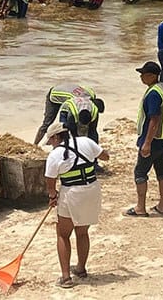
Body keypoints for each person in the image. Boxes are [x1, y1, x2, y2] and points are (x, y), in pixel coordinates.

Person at [44, 121, 109, 289]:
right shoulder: (86, 141)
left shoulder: (55, 155)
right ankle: (80, 268)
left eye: (51, 141)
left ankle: (66, 278)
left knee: (63, 234)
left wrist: (52, 195)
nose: (51, 145)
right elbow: (105, 156)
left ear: (57, 137)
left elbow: (50, 180)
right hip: (92, 190)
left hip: (72, 193)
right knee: (82, 232)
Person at [127, 61, 163, 218]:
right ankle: (162, 205)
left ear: (152, 76)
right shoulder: (162, 89)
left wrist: (146, 143)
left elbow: (154, 119)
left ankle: (140, 207)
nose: (141, 77)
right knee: (162, 172)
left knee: (140, 172)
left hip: (152, 140)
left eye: (143, 74)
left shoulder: (153, 94)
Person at [34, 84, 100, 144]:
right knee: (47, 123)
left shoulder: (91, 96)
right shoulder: (73, 104)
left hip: (66, 88)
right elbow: (64, 111)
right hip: (55, 94)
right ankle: (35, 145)